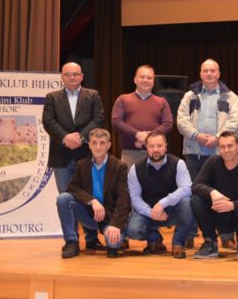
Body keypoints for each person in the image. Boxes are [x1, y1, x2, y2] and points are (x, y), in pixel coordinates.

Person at [177, 58, 238, 248]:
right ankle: (189, 234)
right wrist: (196, 135)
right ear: (201, 74)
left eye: (213, 70)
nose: (209, 73)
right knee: (192, 195)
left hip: (220, 154)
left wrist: (218, 138)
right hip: (193, 153)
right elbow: (181, 120)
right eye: (206, 70)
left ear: (219, 73)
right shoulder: (190, 96)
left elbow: (235, 122)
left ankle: (226, 236)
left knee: (224, 194)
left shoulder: (230, 97)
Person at [42, 61, 105, 252]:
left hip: (86, 155)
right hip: (61, 157)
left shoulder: (93, 95)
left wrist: (81, 137)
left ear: (82, 76)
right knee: (66, 198)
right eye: (68, 74)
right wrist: (65, 138)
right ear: (62, 77)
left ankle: (92, 239)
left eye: (75, 74)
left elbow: (98, 118)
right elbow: (48, 121)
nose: (72, 77)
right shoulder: (52, 97)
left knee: (89, 196)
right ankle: (71, 240)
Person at [56, 128, 130, 259]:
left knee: (114, 245)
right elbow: (72, 187)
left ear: (109, 145)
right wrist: (92, 200)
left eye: (102, 143)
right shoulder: (82, 165)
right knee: (63, 198)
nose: (98, 147)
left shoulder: (119, 167)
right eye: (94, 143)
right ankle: (71, 242)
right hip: (90, 215)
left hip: (110, 217)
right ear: (89, 145)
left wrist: (115, 225)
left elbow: (123, 200)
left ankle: (113, 236)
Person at [190, 132, 238, 260]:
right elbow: (195, 186)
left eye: (230, 146)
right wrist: (212, 192)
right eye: (222, 147)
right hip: (217, 213)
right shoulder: (213, 161)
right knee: (196, 200)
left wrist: (232, 205)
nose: (226, 150)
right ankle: (210, 242)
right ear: (218, 149)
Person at [125, 131, 194, 259]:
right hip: (148, 212)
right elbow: (134, 197)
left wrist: (162, 203)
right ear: (146, 147)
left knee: (188, 202)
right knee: (133, 231)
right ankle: (154, 237)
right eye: (151, 146)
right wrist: (151, 212)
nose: (156, 150)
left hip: (171, 211)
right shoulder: (136, 169)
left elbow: (187, 188)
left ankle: (178, 243)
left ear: (166, 146)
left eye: (159, 145)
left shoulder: (178, 163)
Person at [111, 64, 173, 168]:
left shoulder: (162, 102)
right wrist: (137, 134)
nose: (145, 80)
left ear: (153, 81)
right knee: (129, 179)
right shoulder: (122, 99)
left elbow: (168, 124)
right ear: (135, 80)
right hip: (130, 154)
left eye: (149, 78)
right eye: (142, 77)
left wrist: (147, 138)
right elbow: (116, 122)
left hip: (156, 154)